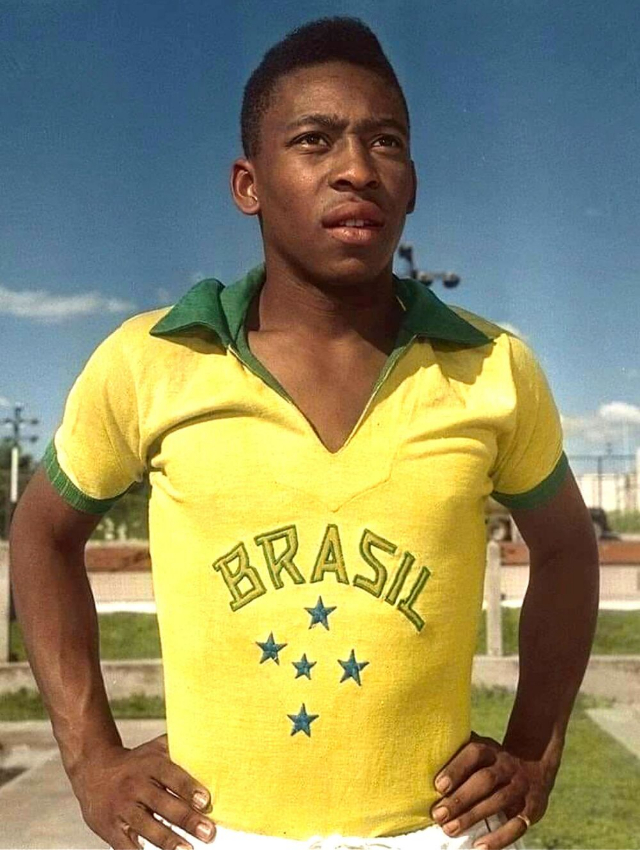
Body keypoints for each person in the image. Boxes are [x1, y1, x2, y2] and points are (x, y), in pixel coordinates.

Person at [9, 15, 599, 850]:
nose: (357, 169)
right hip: (213, 830)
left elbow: (568, 548)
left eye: (386, 142)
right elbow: (40, 534)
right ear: (248, 184)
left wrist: (535, 748)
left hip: (432, 833)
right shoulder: (152, 360)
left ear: (413, 184)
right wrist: (89, 757)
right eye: (315, 141)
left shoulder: (492, 367)